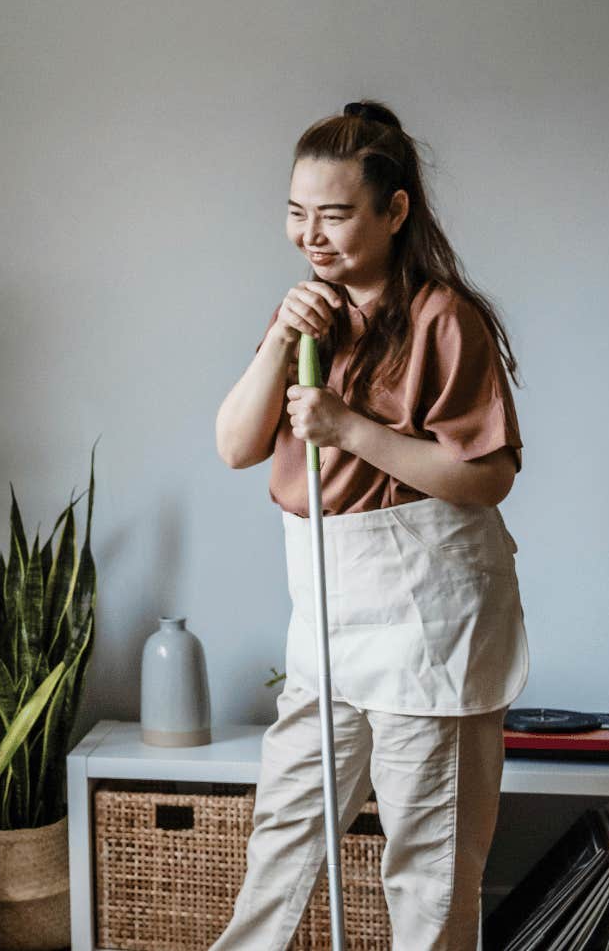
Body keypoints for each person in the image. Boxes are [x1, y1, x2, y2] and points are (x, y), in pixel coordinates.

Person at [211, 101, 527, 949]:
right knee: (282, 836)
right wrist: (281, 338)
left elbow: (487, 476)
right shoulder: (306, 314)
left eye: (336, 215)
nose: (311, 235)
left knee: (427, 871)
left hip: (429, 622)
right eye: (296, 212)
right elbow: (237, 445)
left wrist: (351, 429)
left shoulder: (443, 319)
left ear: (395, 211)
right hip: (328, 614)